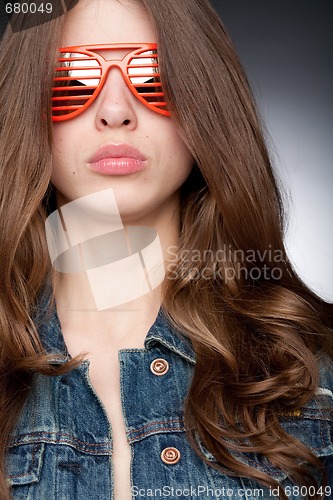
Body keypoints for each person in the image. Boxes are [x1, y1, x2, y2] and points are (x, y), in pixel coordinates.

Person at [0, 0, 332, 499]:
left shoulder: (314, 367)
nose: (115, 112)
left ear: (205, 102)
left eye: (153, 78)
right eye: (74, 79)